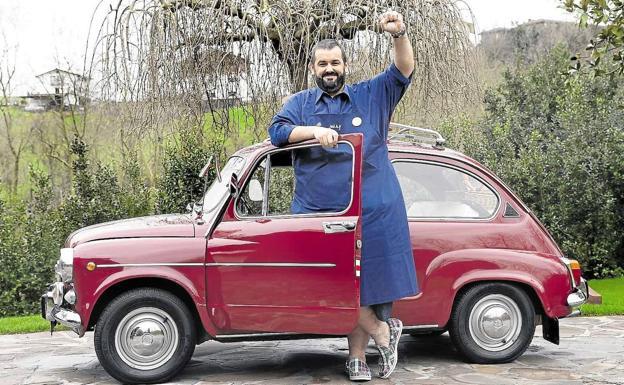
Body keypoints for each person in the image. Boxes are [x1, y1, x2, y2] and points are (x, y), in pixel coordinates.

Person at [268, 10, 419, 382]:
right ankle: (383, 331)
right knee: (325, 284)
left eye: (335, 61)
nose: (329, 68)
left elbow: (403, 69)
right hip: (316, 215)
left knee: (364, 284)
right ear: (313, 68)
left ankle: (356, 358)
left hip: (372, 211)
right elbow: (276, 133)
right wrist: (311, 131)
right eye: (323, 64)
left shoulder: (372, 94)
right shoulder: (300, 104)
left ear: (345, 64)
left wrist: (399, 34)